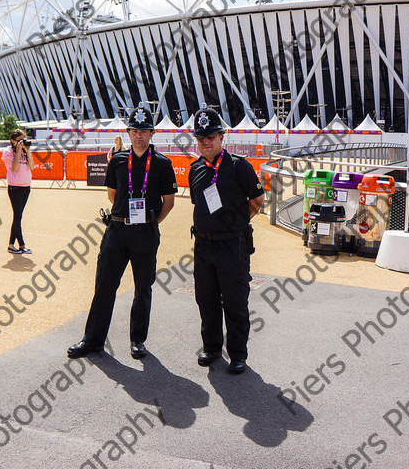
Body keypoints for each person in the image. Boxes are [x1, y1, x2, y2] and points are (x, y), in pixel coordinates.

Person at [67, 107, 177, 360]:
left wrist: (151, 223)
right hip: (116, 230)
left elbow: (168, 201)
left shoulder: (162, 163)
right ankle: (92, 340)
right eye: (134, 130)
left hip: (145, 233)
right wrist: (125, 217)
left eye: (144, 131)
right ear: (128, 132)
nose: (139, 135)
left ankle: (137, 340)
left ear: (152, 133)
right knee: (104, 285)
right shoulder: (117, 160)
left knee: (143, 287)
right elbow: (112, 194)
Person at [188, 108, 264, 375]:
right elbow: (198, 203)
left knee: (234, 301)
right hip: (204, 246)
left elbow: (257, 200)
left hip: (233, 245)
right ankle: (211, 347)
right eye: (200, 138)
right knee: (205, 299)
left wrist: (237, 224)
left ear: (222, 137)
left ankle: (238, 354)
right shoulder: (195, 169)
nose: (205, 142)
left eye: (210, 136)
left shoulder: (238, 166)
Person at [2, 129, 33, 254]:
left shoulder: (25, 151)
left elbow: (32, 166)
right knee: (18, 216)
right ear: (12, 141)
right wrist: (18, 151)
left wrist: (28, 152)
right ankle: (22, 245)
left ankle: (11, 244)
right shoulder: (8, 152)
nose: (22, 143)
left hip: (26, 187)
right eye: (19, 140)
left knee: (18, 217)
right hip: (15, 187)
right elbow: (15, 168)